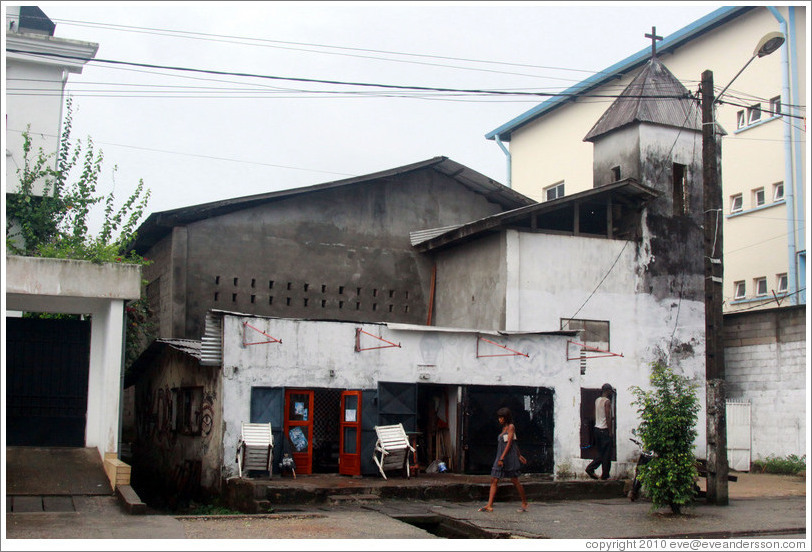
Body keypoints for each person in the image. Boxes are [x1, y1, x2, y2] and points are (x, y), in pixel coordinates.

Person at [478, 407, 528, 513]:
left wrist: (509, 457)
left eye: (502, 418)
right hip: (500, 456)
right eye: (499, 418)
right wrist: (517, 455)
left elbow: (510, 443)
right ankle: (489, 505)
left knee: (514, 480)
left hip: (507, 457)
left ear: (506, 418)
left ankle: (524, 502)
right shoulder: (504, 428)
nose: (500, 420)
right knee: (494, 479)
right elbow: (513, 442)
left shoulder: (511, 427)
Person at [586, 383, 614, 480]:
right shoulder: (607, 402)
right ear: (607, 391)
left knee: (601, 452)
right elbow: (608, 417)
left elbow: (594, 415)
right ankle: (592, 469)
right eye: (610, 391)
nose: (611, 393)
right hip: (604, 430)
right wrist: (610, 432)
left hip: (597, 429)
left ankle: (604, 474)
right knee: (606, 454)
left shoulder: (597, 400)